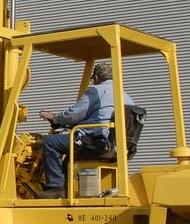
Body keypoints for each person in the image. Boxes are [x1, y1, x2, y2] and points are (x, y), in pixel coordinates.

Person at [38, 62, 133, 199]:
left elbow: (74, 113)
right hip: (115, 145)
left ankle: (56, 187)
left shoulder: (96, 91)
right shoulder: (125, 96)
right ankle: (67, 186)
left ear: (96, 77)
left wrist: (55, 117)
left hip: (96, 141)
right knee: (68, 148)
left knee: (50, 142)